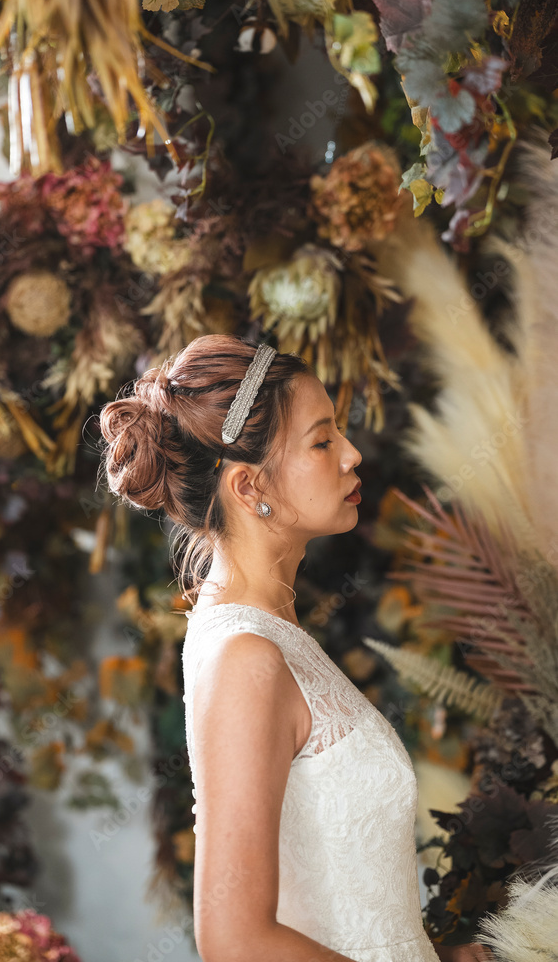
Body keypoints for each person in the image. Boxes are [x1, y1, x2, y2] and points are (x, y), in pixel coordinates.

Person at [99, 334, 493, 962]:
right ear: (248, 486)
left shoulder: (275, 633)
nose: (352, 454)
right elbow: (236, 941)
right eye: (322, 441)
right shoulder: (245, 656)